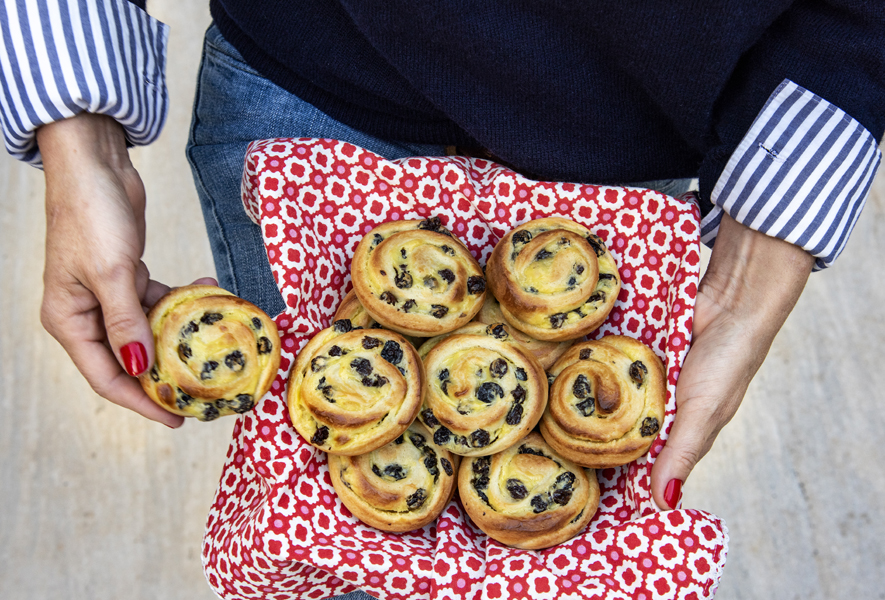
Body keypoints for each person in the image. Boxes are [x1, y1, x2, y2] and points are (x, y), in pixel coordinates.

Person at [1, 0, 882, 534]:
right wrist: (79, 134)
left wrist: (766, 242)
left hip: (623, 145)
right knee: (341, 549)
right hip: (305, 81)